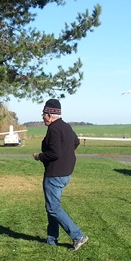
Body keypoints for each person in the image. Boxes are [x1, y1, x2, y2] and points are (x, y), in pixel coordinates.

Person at [33, 99, 87, 251]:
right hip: (65, 172)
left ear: (50, 115)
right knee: (51, 206)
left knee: (53, 208)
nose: (42, 117)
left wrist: (39, 156)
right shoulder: (66, 126)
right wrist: (66, 155)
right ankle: (52, 240)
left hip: (55, 174)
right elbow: (75, 142)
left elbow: (54, 153)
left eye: (43, 114)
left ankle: (78, 236)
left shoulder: (54, 129)